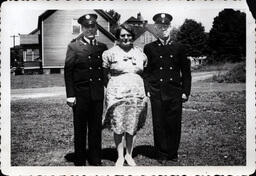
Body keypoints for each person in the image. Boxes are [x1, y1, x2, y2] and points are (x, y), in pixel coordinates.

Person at [143, 13, 191, 163]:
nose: (163, 29)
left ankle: (172, 153)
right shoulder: (149, 48)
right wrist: (148, 89)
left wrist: (185, 91)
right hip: (157, 91)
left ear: (170, 28)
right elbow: (147, 72)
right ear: (155, 29)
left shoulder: (179, 47)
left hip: (175, 91)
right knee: (159, 123)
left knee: (174, 123)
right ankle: (161, 153)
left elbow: (186, 72)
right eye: (160, 27)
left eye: (165, 26)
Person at [64, 14, 108, 166]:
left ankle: (95, 158)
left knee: (96, 128)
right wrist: (70, 95)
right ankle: (80, 159)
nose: (90, 29)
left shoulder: (102, 47)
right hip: (80, 94)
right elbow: (68, 71)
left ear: (96, 28)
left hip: (97, 94)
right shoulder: (74, 46)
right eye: (86, 27)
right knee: (80, 127)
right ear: (82, 28)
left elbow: (105, 72)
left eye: (92, 26)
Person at [102, 24, 148, 166]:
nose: (126, 38)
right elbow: (104, 75)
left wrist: (145, 92)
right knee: (118, 125)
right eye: (123, 35)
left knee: (132, 125)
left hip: (136, 94)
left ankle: (129, 155)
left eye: (129, 35)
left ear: (133, 37)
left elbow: (145, 73)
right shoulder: (109, 53)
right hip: (117, 94)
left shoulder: (141, 53)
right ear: (118, 37)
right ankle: (120, 156)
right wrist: (109, 91)